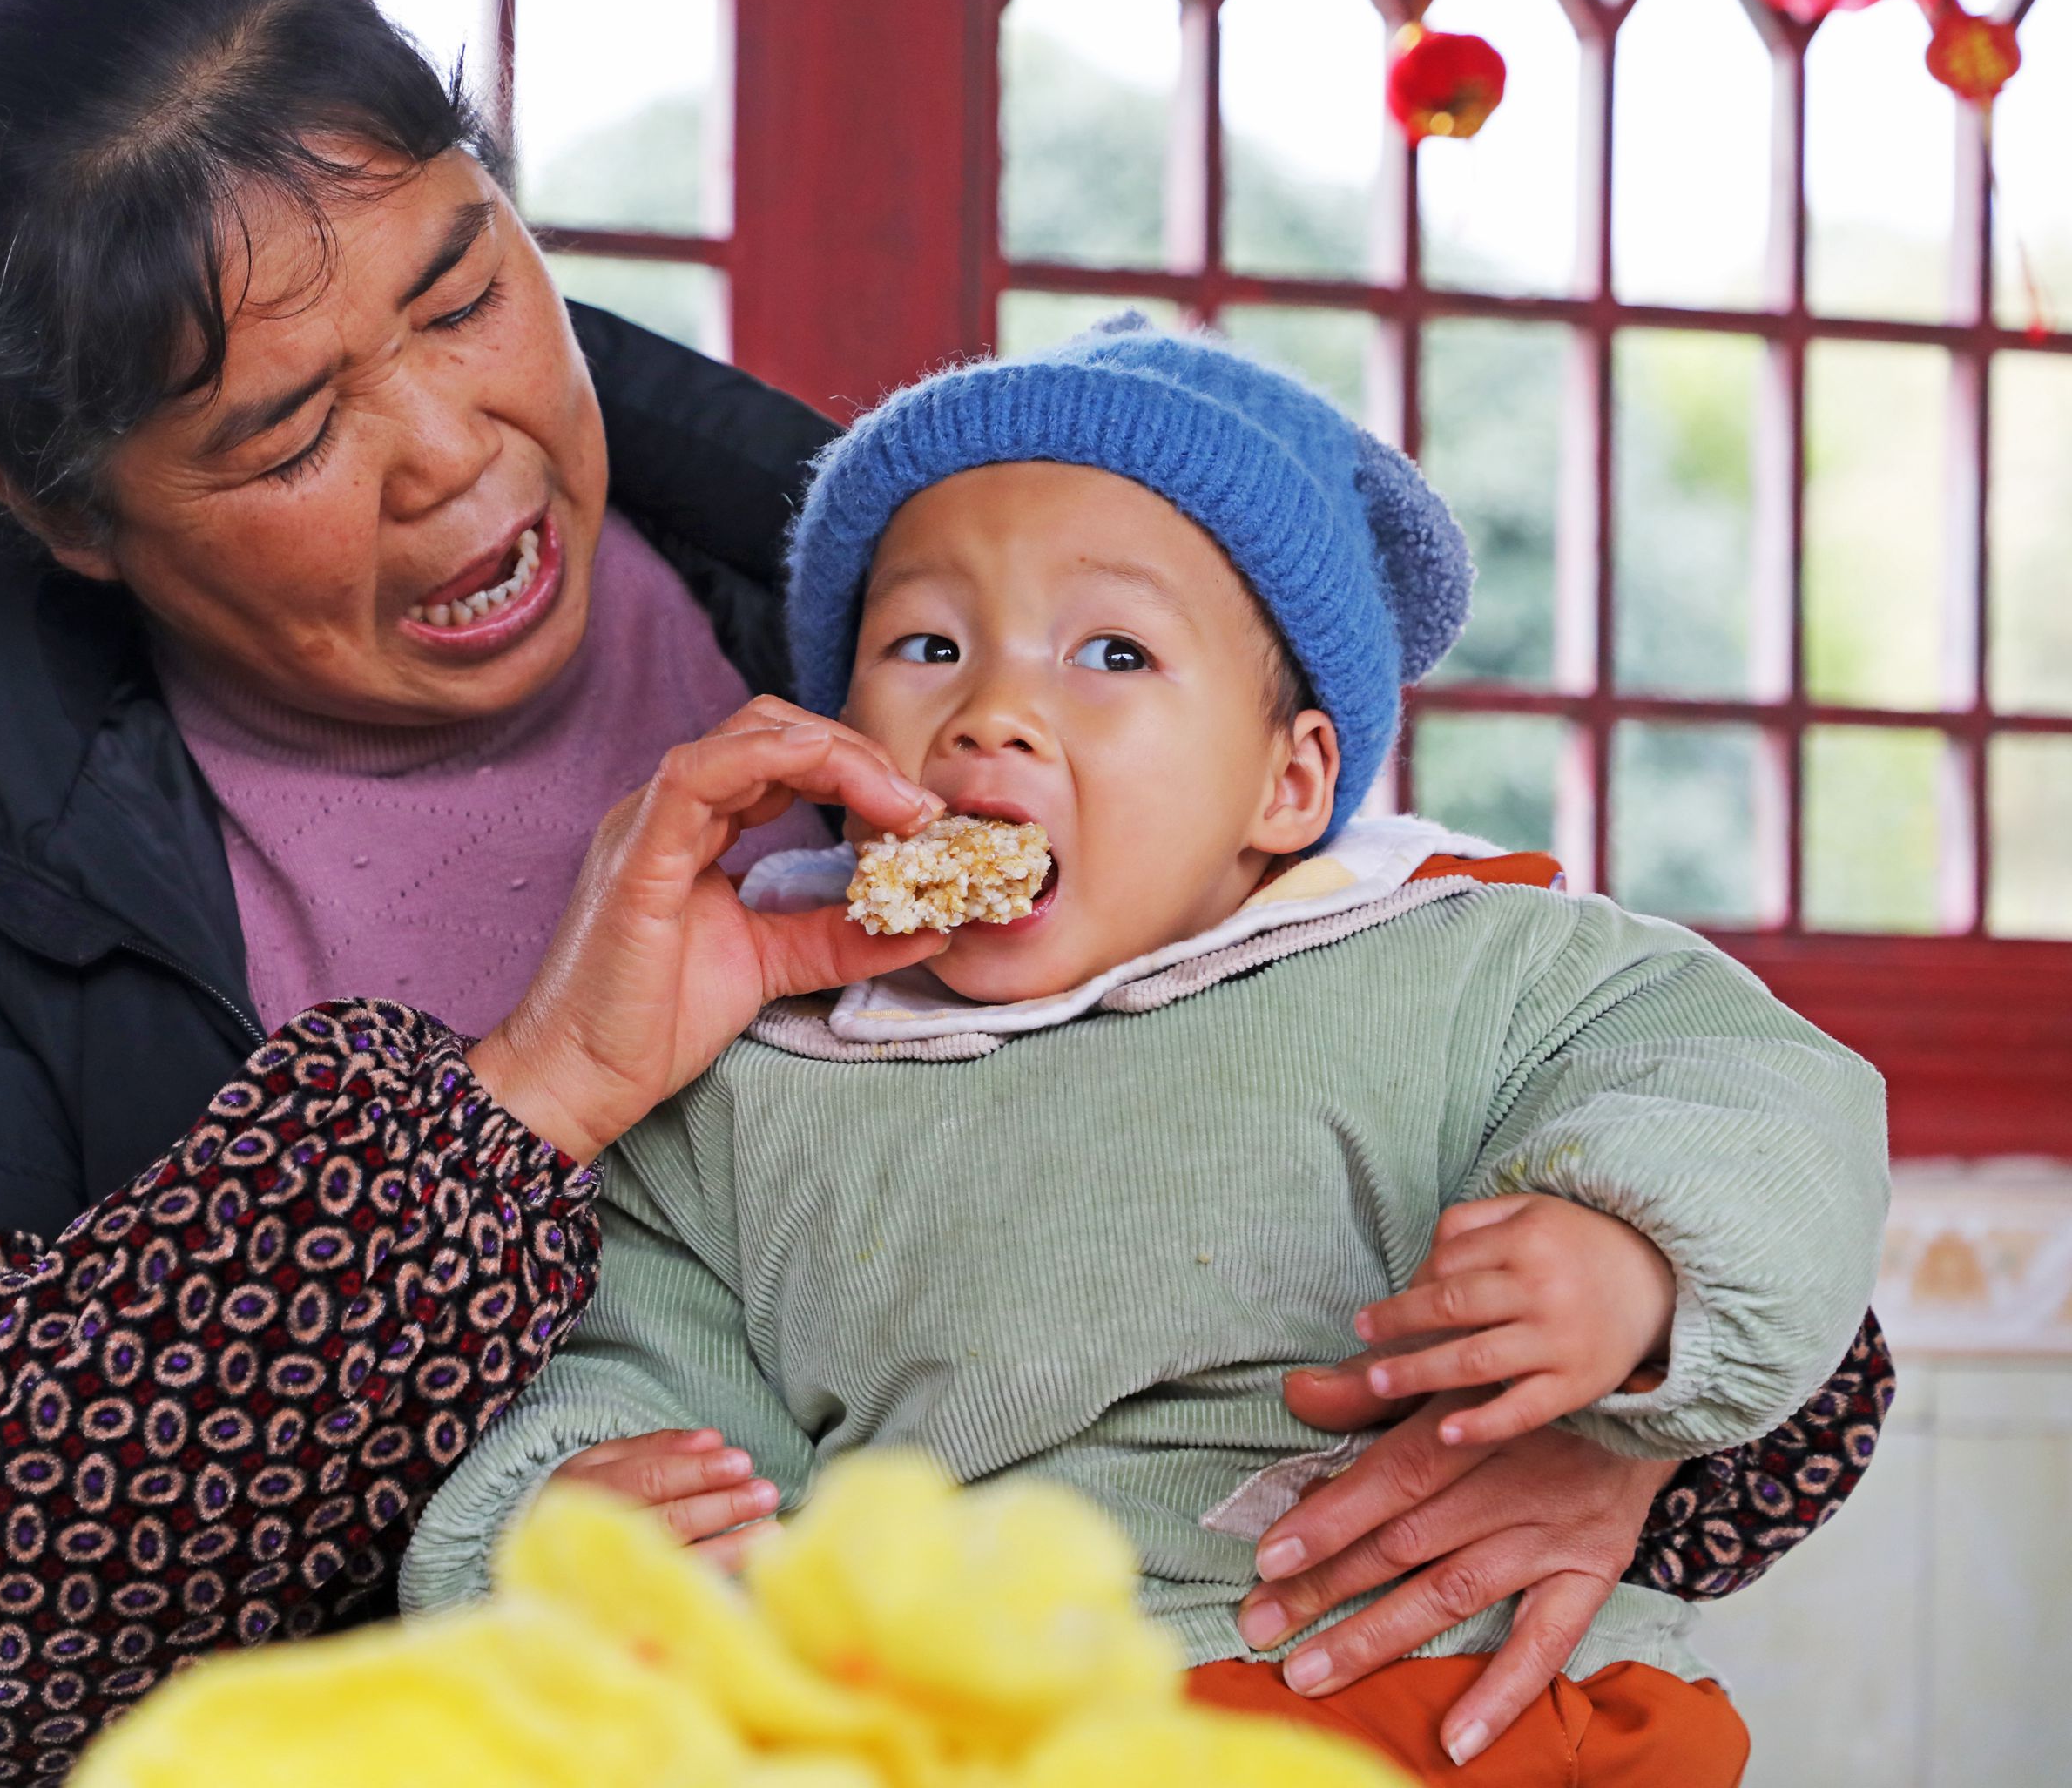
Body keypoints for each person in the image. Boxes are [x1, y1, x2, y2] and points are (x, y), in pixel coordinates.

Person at [0, 0, 1893, 1786]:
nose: (454, 453)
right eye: (289, 429)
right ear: (57, 510)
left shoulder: (900, 593)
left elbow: (1504, 1091)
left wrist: (1636, 1405)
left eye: (463, 288)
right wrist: (544, 1100)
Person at [399, 324, 1890, 1785]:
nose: (991, 711)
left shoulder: (1469, 959)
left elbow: (1763, 1096)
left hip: (1456, 1697)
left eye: (1111, 652)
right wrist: (566, 1526)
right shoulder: (754, 1070)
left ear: (1291, 781)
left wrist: (1637, 1270)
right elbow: (627, 1361)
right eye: (924, 643)